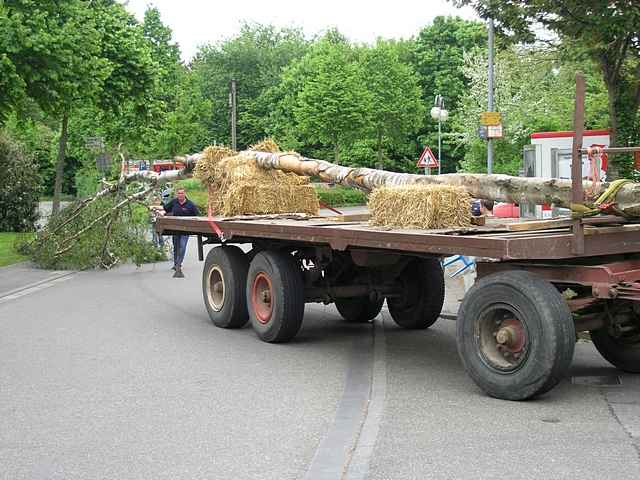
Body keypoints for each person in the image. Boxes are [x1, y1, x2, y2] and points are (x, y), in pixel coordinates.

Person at [163, 188, 199, 278]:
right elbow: (165, 209)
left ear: (184, 194)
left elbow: (197, 215)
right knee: (176, 246)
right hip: (175, 229)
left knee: (182, 246)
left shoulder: (190, 205)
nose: (180, 195)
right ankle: (175, 263)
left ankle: (179, 264)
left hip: (185, 230)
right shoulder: (174, 202)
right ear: (176, 194)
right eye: (178, 193)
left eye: (182, 193)